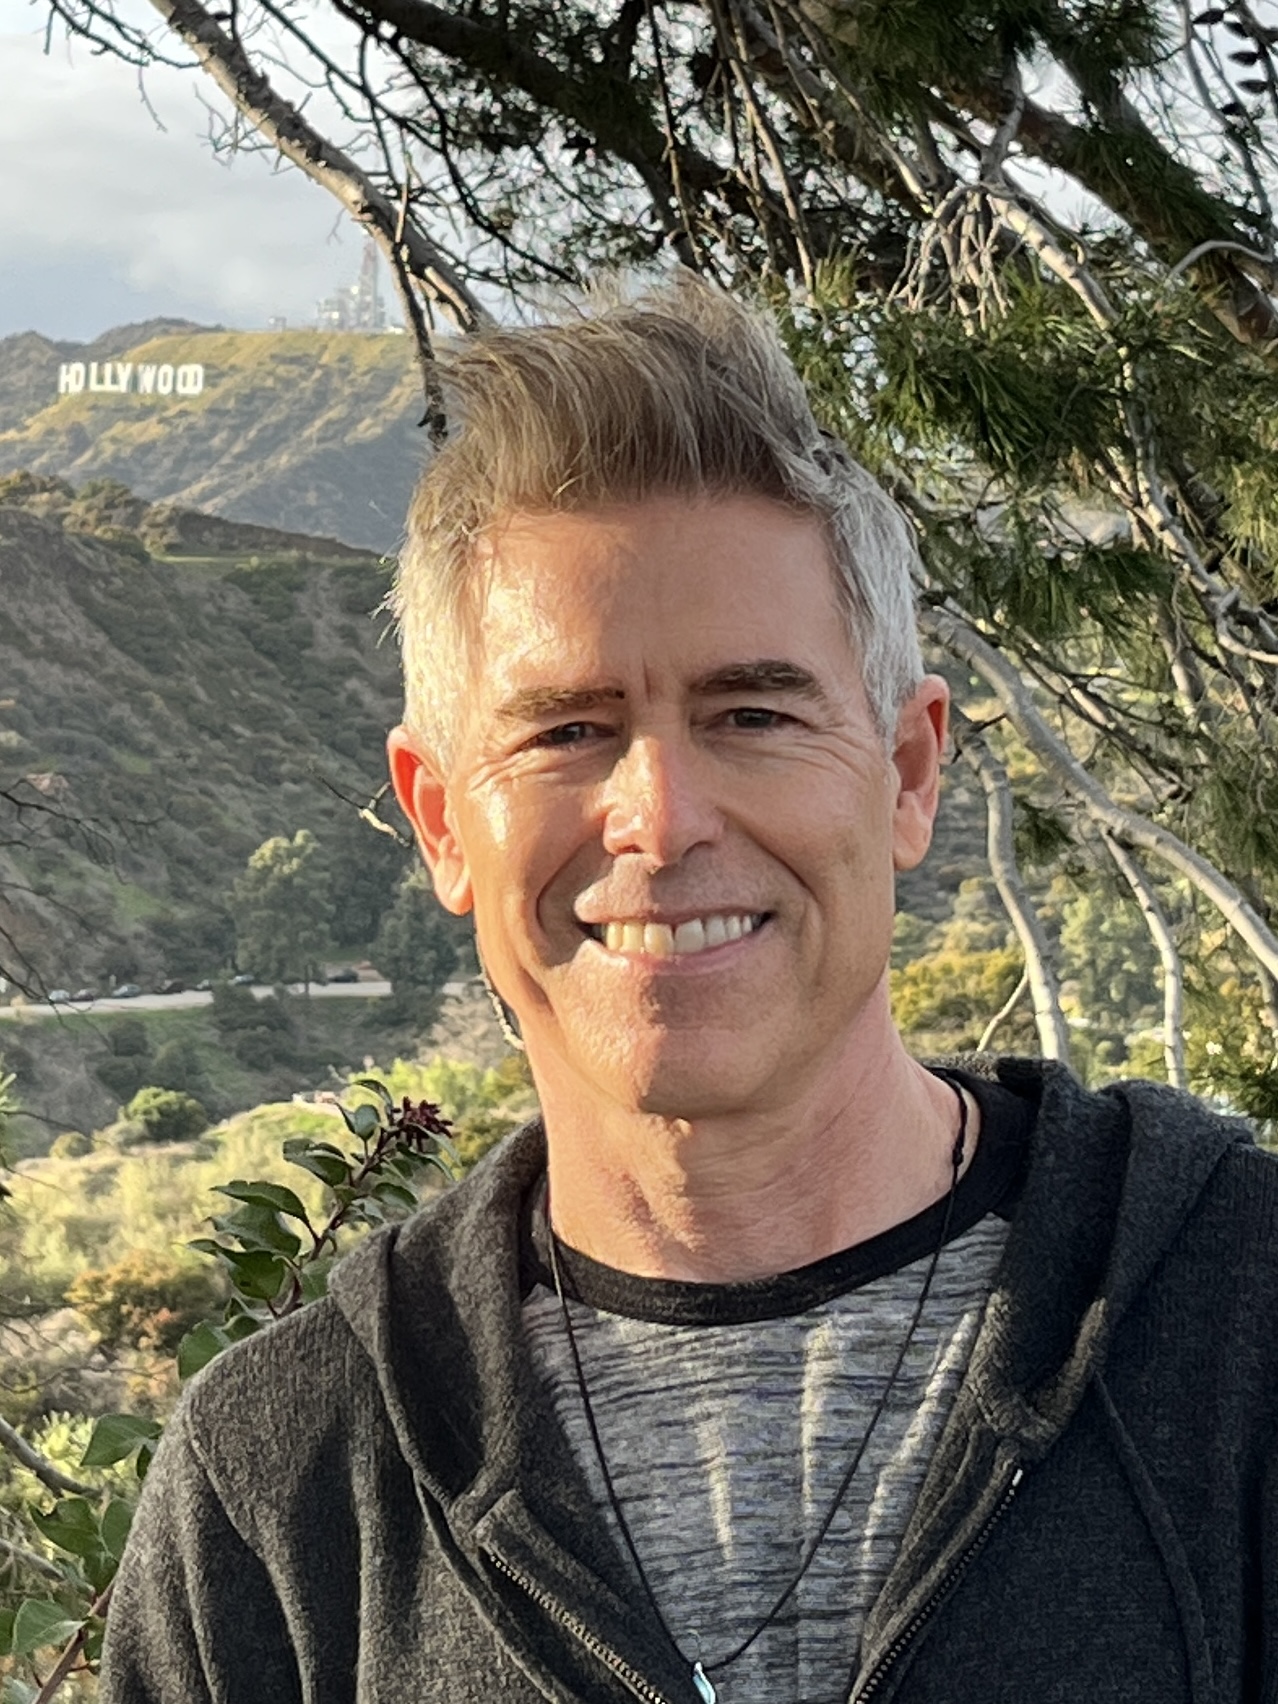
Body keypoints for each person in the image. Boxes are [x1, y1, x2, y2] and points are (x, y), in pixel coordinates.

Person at [102, 278, 1278, 1704]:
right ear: (436, 820)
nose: (659, 818)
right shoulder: (282, 1488)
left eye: (753, 714)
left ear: (907, 774)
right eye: (567, 730)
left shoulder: (1235, 1330)